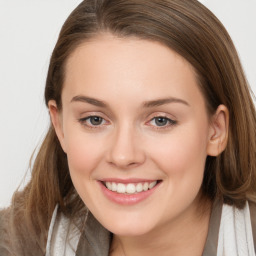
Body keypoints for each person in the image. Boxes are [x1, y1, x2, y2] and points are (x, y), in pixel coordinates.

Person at [1, 0, 256, 255]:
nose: (123, 155)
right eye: (95, 119)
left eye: (160, 120)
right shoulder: (15, 244)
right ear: (60, 125)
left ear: (216, 130)